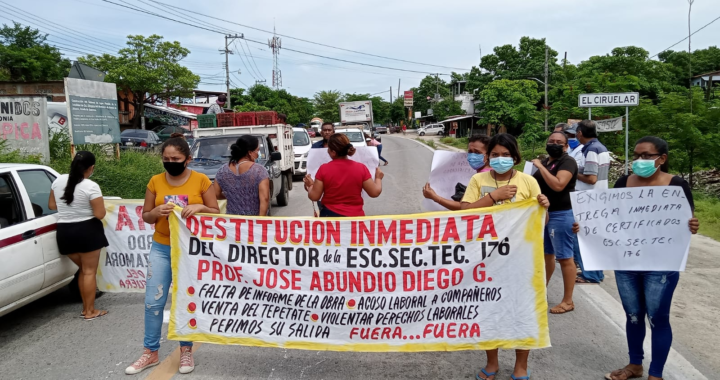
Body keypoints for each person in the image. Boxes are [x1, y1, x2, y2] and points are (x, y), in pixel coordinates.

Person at [573, 136, 699, 380]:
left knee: (657, 317)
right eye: (637, 155)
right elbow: (608, 219)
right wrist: (586, 226)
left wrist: (692, 225)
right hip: (626, 263)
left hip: (661, 265)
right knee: (633, 315)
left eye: (646, 156)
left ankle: (656, 373)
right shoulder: (623, 182)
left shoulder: (677, 185)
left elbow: (685, 222)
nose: (639, 160)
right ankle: (635, 365)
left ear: (661, 159)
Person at [126, 133, 220, 375]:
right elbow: (146, 216)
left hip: (190, 251)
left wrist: (200, 207)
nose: (170, 162)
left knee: (185, 299)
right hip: (161, 247)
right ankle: (150, 352)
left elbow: (215, 212)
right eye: (166, 158)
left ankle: (185, 350)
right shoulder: (155, 181)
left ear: (187, 159)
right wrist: (156, 211)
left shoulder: (201, 181)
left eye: (175, 158)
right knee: (153, 302)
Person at [460, 133, 550, 380]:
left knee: (523, 310)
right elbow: (465, 212)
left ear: (515, 157)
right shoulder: (478, 179)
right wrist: (492, 198)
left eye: (506, 155)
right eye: (495, 155)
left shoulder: (528, 181)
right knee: (489, 309)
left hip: (521, 258)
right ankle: (492, 363)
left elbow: (541, 222)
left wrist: (544, 206)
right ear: (488, 157)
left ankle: (521, 365)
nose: (501, 159)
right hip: (487, 258)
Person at [48, 151, 108, 320]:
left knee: (83, 270)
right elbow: (100, 214)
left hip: (65, 232)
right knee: (89, 272)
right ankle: (89, 311)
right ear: (91, 168)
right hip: (87, 231)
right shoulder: (91, 186)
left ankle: (86, 309)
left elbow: (52, 205)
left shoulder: (57, 181)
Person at [532, 132, 578, 314]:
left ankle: (568, 301)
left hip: (561, 214)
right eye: (551, 141)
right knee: (547, 255)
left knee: (565, 257)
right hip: (544, 214)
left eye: (559, 142)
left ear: (566, 146)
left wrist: (539, 167)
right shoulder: (546, 162)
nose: (554, 144)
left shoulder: (567, 162)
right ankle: (540, 291)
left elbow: (559, 184)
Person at [303, 133, 383, 217]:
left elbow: (314, 196)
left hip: (330, 218)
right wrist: (378, 178)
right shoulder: (361, 168)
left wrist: (310, 185)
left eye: (328, 149)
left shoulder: (324, 169)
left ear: (333, 152)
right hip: (355, 218)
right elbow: (375, 192)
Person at [574, 119, 608, 284]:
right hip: (598, 198)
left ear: (580, 133)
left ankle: (590, 274)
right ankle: (596, 273)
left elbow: (591, 178)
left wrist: (573, 172)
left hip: (588, 199)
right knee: (591, 238)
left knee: (580, 237)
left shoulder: (591, 150)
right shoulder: (600, 147)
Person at [423, 134, 491, 210]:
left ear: (488, 155)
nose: (472, 155)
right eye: (470, 152)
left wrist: (435, 197)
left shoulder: (483, 177)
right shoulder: (489, 172)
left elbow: (463, 207)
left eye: (477, 152)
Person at [213, 135, 270, 216]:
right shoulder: (259, 171)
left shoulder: (222, 170)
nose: (258, 154)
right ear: (250, 152)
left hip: (233, 221)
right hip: (252, 220)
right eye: (257, 150)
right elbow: (265, 199)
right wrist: (260, 221)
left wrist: (232, 196)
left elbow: (216, 194)